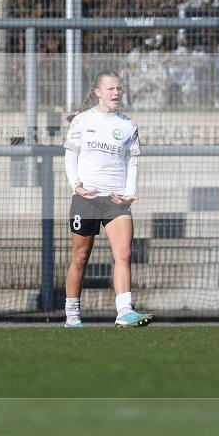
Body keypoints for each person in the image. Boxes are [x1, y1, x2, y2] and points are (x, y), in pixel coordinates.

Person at [63, 70, 152, 328]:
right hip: (87, 200)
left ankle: (124, 311)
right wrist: (76, 186)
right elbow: (70, 155)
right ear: (97, 92)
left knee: (123, 254)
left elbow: (132, 160)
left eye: (118, 89)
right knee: (80, 258)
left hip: (116, 202)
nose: (116, 93)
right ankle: (72, 314)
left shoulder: (128, 125)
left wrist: (129, 191)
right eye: (111, 89)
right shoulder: (81, 121)